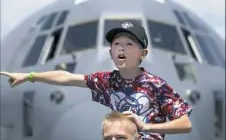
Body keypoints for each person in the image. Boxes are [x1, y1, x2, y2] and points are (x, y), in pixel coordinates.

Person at [0, 21, 193, 140]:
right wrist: (30, 76)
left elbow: (185, 124)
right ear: (111, 52)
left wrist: (146, 127)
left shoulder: (156, 85)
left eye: (129, 44)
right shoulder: (108, 81)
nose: (121, 49)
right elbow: (66, 78)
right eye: (117, 44)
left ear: (143, 53)